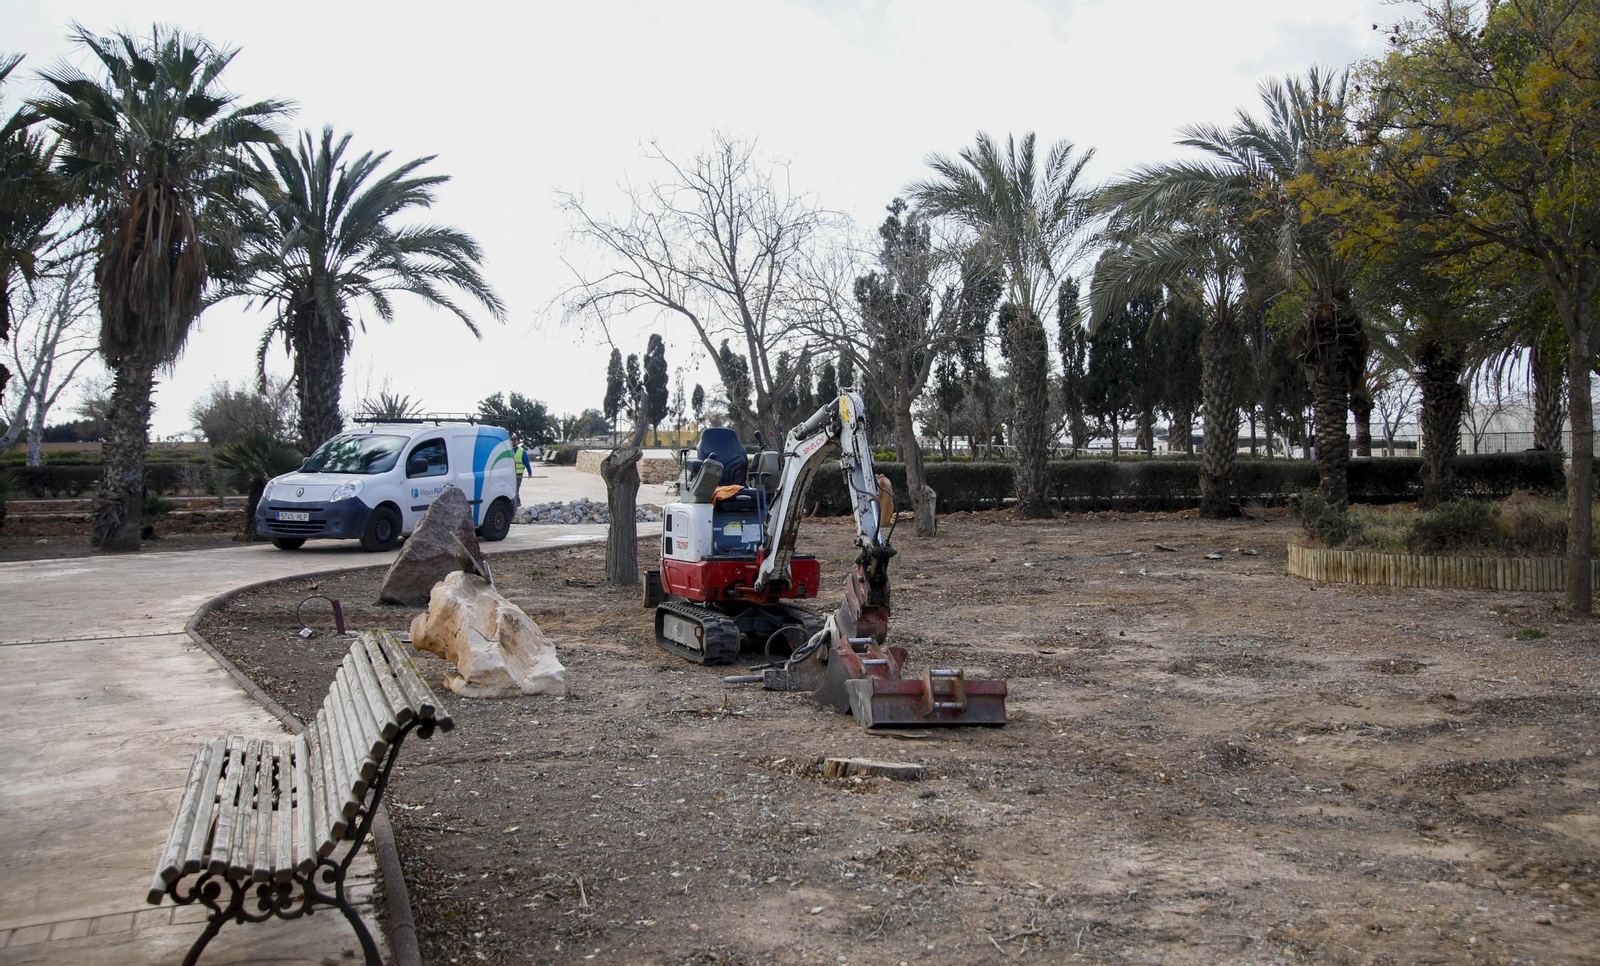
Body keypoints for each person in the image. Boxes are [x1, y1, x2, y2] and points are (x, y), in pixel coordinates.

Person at [511, 437, 534, 508]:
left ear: (518, 441)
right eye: (512, 440)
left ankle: (517, 503)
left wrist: (529, 472)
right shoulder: (508, 450)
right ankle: (517, 503)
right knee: (512, 489)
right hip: (510, 474)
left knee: (515, 489)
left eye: (515, 440)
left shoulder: (522, 451)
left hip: (518, 473)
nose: (513, 442)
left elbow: (526, 462)